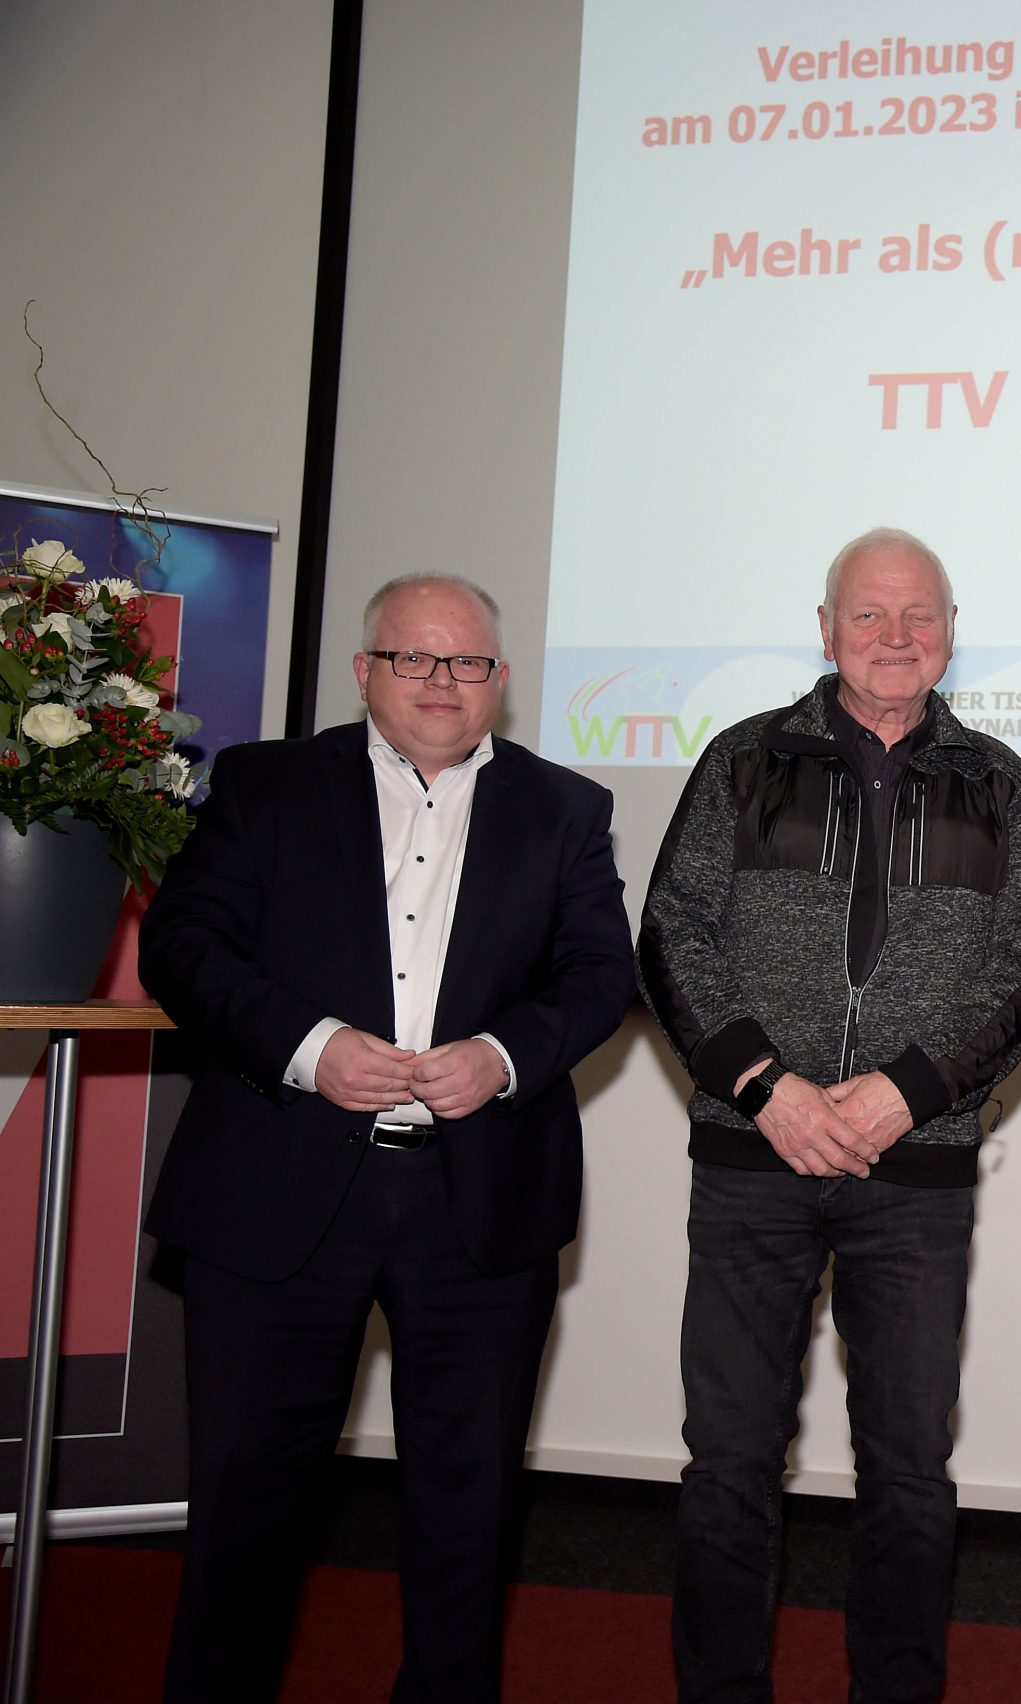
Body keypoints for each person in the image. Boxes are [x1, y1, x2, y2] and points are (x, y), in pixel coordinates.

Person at [138, 573, 635, 1702]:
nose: (442, 681)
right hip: (277, 1190)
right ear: (365, 671)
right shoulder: (265, 785)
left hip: (479, 1205)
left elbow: (600, 973)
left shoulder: (564, 808)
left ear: (499, 681)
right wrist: (310, 1047)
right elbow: (184, 944)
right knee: (244, 1509)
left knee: (468, 1513)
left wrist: (500, 1057)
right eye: (415, 657)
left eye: (468, 662)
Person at [637, 527, 1021, 1704]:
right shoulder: (741, 759)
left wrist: (906, 1091)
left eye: (919, 615)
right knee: (729, 1461)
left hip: (915, 1171)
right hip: (752, 1158)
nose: (894, 637)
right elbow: (672, 934)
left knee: (909, 1471)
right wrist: (766, 1089)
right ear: (825, 629)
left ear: (950, 633)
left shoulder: (999, 782)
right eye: (868, 614)